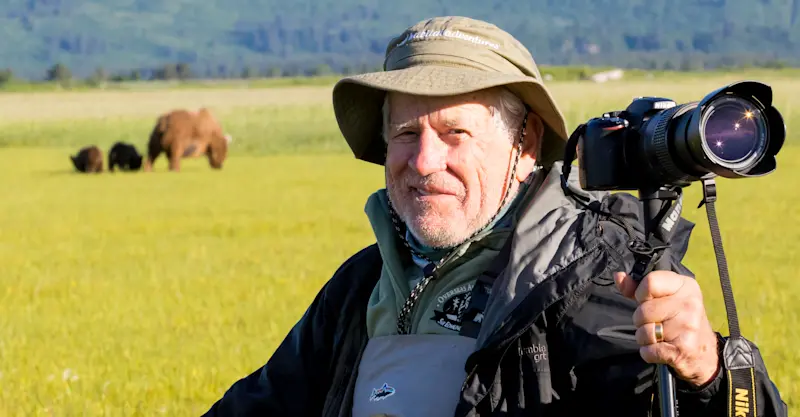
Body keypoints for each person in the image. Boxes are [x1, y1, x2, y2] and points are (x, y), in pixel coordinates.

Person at [201, 16, 787, 417]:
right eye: (406, 134)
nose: (425, 161)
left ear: (525, 143)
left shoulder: (590, 281)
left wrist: (708, 372)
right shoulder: (362, 288)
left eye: (455, 132)